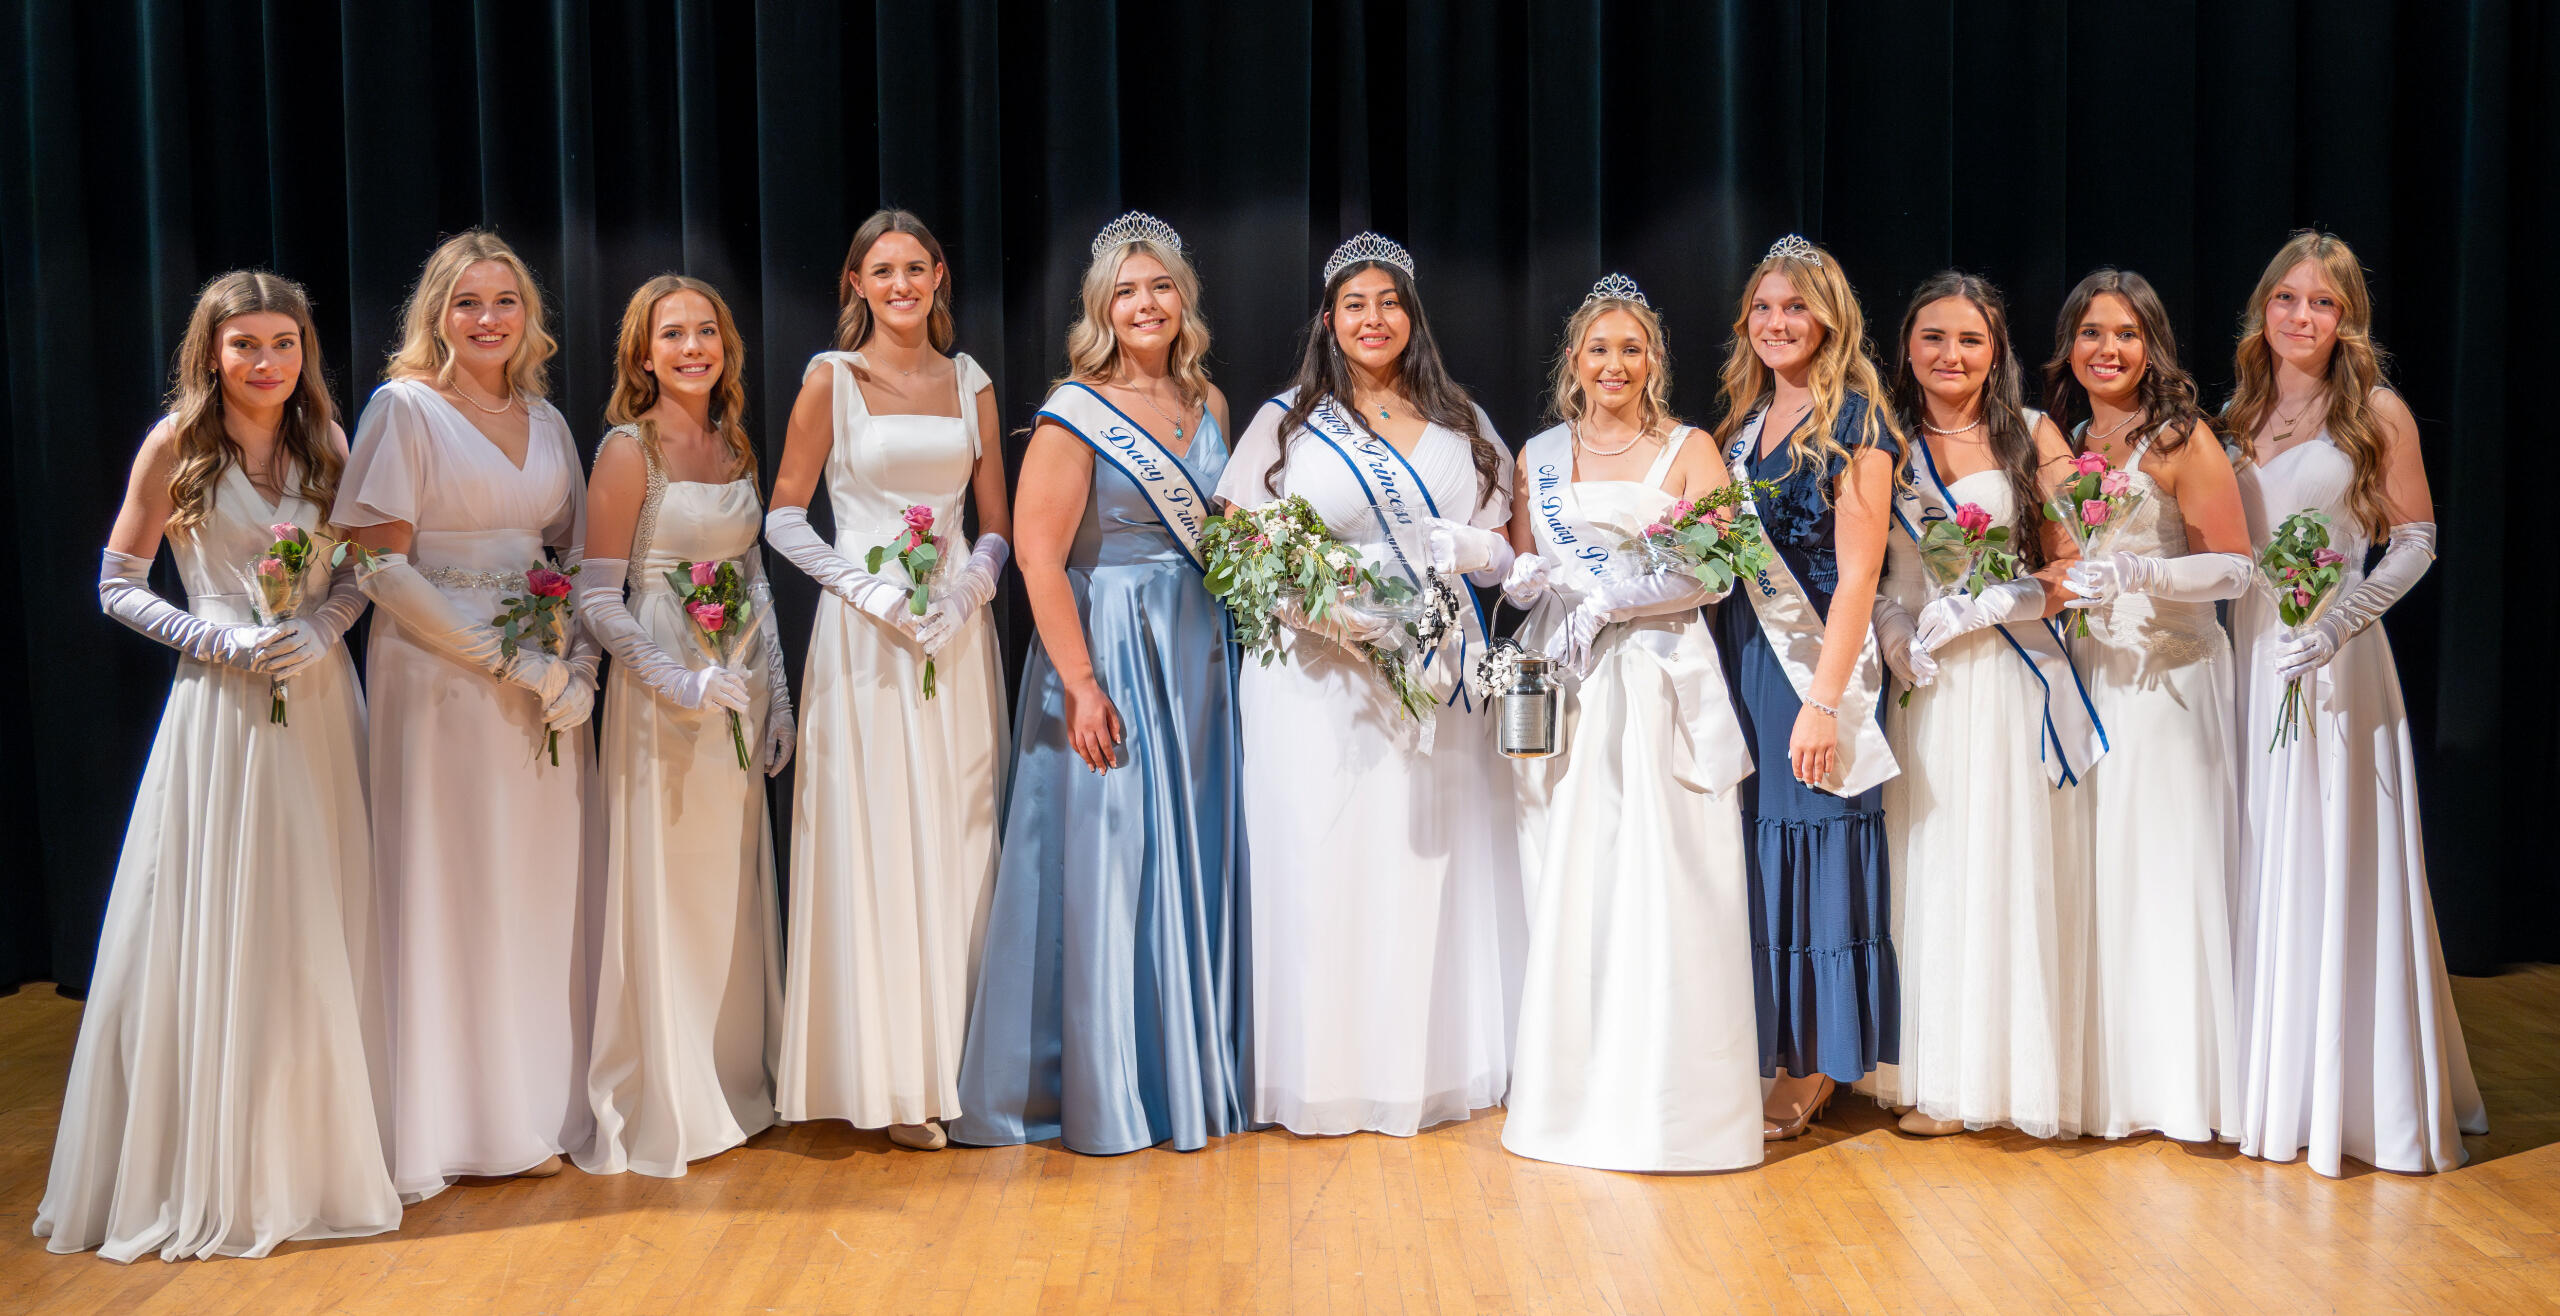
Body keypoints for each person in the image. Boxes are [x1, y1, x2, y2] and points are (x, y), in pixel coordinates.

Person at [38, 271, 400, 1260]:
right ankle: (217, 1152)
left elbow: (365, 571)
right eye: (246, 345)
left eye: (283, 342)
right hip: (222, 707)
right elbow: (116, 581)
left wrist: (326, 624)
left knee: (314, 906)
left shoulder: (328, 445)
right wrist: (210, 638)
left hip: (318, 700)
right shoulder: (176, 446)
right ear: (213, 353)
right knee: (223, 909)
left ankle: (318, 1143)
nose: (267, 361)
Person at [1212, 231, 1525, 1137]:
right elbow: (1235, 543)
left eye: (1389, 302)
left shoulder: (1463, 422)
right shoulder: (1287, 422)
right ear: (1328, 319)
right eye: (1355, 303)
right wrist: (1342, 620)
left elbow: (1511, 551)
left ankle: (1427, 1067)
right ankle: (1325, 1073)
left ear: (1412, 316)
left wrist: (1477, 556)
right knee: (1324, 857)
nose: (1374, 317)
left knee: (1426, 859)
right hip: (1320, 679)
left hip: (1434, 668)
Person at [953, 213, 1247, 1155]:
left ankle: (1187, 1077)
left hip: (1198, 644)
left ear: (1183, 300)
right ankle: (1106, 1087)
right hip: (1110, 640)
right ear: (1101, 309)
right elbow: (1039, 560)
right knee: (1115, 858)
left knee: (1188, 856)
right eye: (1126, 290)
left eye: (1160, 286)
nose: (1146, 303)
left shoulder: (1214, 405)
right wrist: (1080, 685)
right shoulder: (1075, 407)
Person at [336, 229, 601, 1194]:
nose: (488, 320)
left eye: (505, 302)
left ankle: (531, 1103)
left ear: (529, 317)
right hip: (441, 675)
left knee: (535, 883)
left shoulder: (549, 420)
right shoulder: (402, 410)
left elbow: (572, 557)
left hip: (544, 680)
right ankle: (451, 1122)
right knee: (454, 882)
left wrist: (570, 659)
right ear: (435, 315)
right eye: (467, 303)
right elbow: (377, 563)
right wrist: (504, 660)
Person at [2222, 230, 2484, 1175]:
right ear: (2264, 309)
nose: (2302, 316)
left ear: (2346, 319)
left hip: (2332, 658)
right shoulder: (2238, 413)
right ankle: (2262, 1078)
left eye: (2322, 303)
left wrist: (2341, 620)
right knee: (2259, 846)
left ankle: (2346, 1093)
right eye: (2287, 298)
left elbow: (2415, 536)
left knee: (2328, 854)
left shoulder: (2375, 411)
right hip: (2252, 654)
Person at [1495, 274, 1762, 1172]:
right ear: (1575, 360)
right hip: (1567, 683)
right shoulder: (1537, 453)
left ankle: (1671, 1107)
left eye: (1632, 348)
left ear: (1654, 359)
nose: (1615, 364)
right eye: (1599, 348)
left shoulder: (1690, 449)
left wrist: (1615, 597)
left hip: (1655, 681)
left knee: (1666, 878)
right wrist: (1527, 581)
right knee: (1575, 878)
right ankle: (1572, 1102)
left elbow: (1720, 570)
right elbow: (1527, 564)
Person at [766, 210, 1012, 1151]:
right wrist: (868, 589)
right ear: (856, 283)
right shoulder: (832, 380)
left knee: (958, 832)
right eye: (883, 270)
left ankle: (956, 1067)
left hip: (951, 635)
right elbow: (784, 516)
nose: (902, 285)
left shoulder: (971, 381)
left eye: (916, 268)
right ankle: (890, 1078)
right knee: (879, 835)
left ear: (940, 275)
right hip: (866, 636)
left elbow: (992, 518)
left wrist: (972, 588)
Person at [1867, 271, 2096, 1139]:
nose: (1950, 354)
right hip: (1926, 681)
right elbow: (1879, 573)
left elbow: (2074, 568)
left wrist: (2000, 602)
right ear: (1907, 347)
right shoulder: (1882, 440)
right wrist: (1894, 633)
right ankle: (1926, 1074)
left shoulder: (2033, 435)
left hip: (2005, 677)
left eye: (1969, 338)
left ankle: (1998, 1077)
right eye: (1933, 337)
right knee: (1926, 868)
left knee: (1999, 866)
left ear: (1994, 349)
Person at [573, 275, 793, 1177]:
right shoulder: (630, 451)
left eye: (707, 331)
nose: (693, 347)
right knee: (668, 882)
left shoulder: (733, 443)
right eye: (674, 335)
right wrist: (673, 677)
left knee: (728, 881)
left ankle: (732, 1073)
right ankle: (671, 1091)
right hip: (663, 689)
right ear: (643, 352)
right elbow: (596, 596)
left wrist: (775, 692)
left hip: (734, 673)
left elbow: (758, 581)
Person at [1705, 235, 1904, 1140]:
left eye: (1797, 308)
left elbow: (1860, 576)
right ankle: (1771, 1042)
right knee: (1758, 850)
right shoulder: (1738, 430)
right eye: (1765, 308)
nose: (1778, 323)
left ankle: (1821, 1061)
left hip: (1816, 663)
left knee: (1819, 841)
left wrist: (1824, 702)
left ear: (1830, 319)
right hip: (1746, 659)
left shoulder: (1856, 422)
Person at [2048, 267, 2247, 1144]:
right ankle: (2103, 1082)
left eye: (2126, 333)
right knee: (2099, 867)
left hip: (2169, 672)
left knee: (2165, 863)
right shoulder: (2065, 441)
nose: (2108, 349)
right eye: (2092, 332)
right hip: (2091, 670)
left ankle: (2181, 1085)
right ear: (2071, 345)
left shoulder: (2179, 439)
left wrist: (2143, 572)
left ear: (2151, 345)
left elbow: (2237, 567)